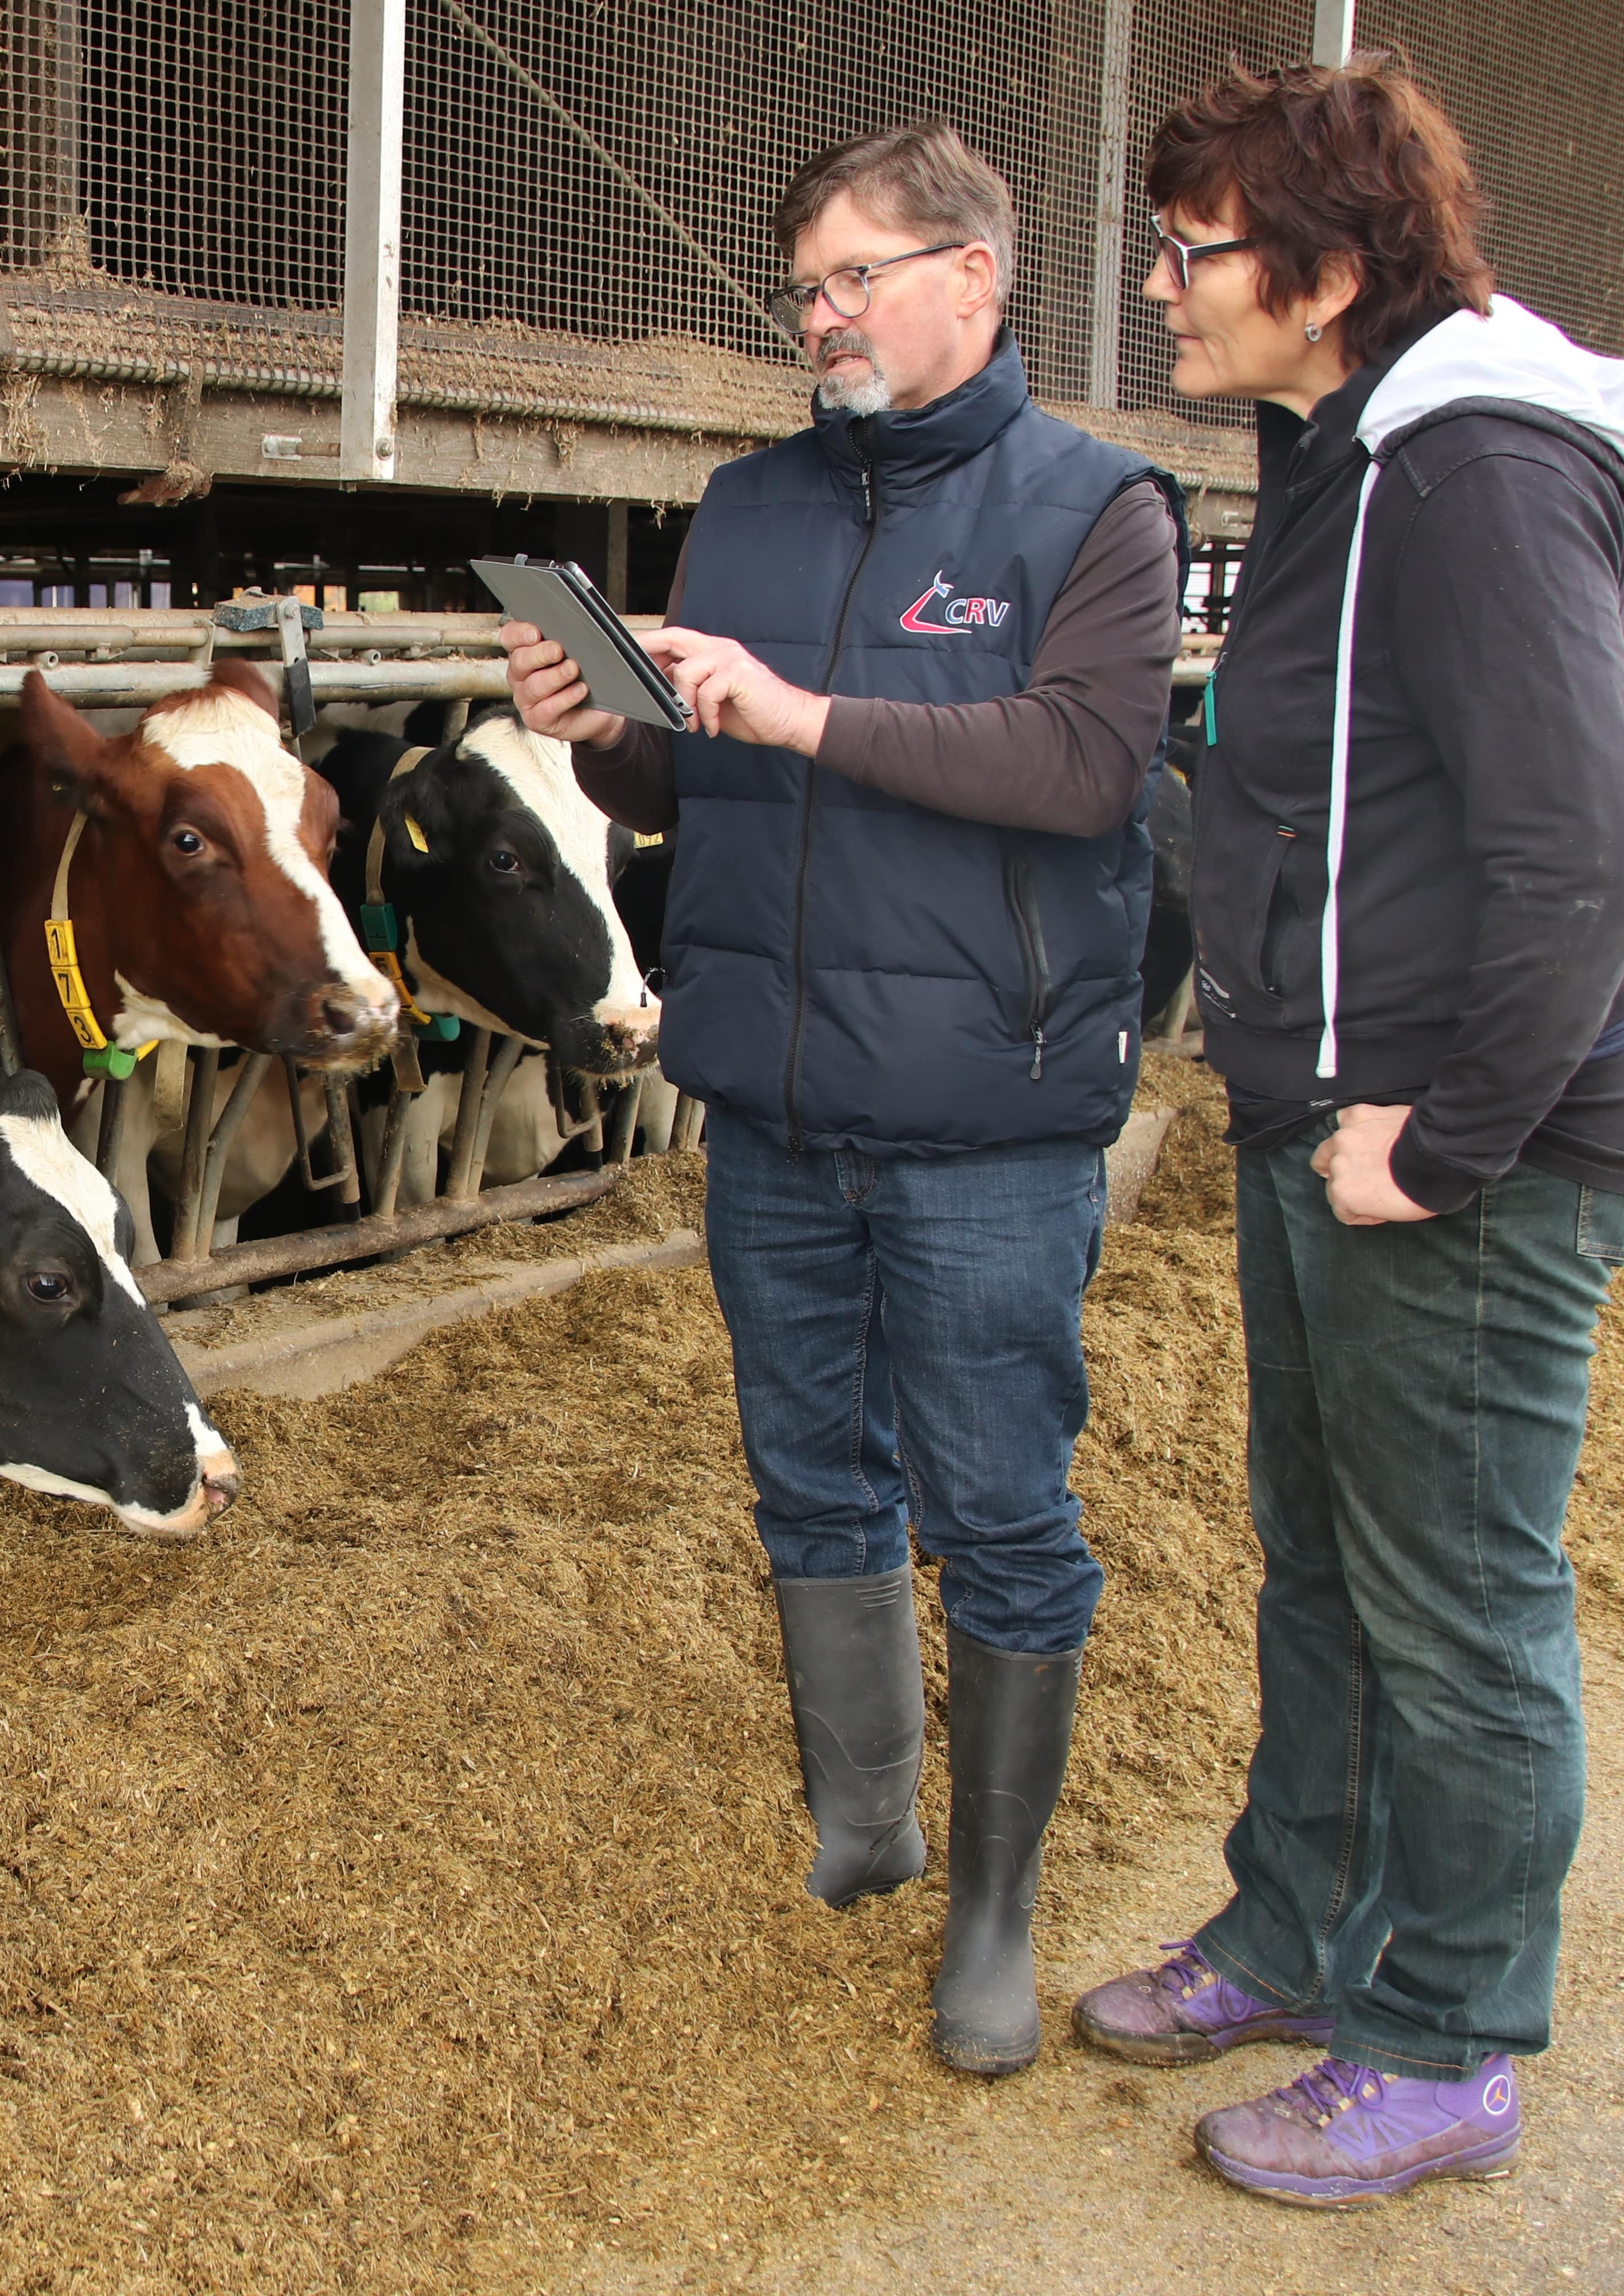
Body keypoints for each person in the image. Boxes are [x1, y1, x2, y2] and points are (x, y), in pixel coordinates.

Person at [501, 121, 1182, 2076]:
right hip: (776, 1104)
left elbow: (1083, 770)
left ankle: (995, 1912)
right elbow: (706, 783)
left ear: (977, 273)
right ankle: (869, 1832)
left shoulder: (1095, 508)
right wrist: (610, 740)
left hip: (989, 1117)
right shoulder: (753, 502)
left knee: (999, 1507)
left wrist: (796, 709)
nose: (821, 315)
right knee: (814, 1478)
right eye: (806, 285)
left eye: (857, 276)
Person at [1064, 57, 1624, 2208]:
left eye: (1193, 248)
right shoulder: (1341, 447)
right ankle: (1298, 1931)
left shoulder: (1473, 470)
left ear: (1326, 276)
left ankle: (1448, 2037)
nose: (1159, 285)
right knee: (1330, 1564)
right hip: (1327, 1108)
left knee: (1462, 1602)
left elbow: (1590, 853)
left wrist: (1437, 1143)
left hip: (1459, 1154)